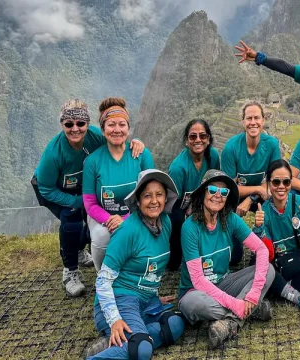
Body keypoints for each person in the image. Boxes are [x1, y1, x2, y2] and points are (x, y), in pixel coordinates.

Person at [32, 99, 145, 297]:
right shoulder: (54, 153)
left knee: (88, 219)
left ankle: (78, 250)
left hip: (82, 187)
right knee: (72, 218)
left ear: (87, 124)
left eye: (80, 124)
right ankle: (70, 271)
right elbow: (46, 188)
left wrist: (136, 143)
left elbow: (116, 141)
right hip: (53, 189)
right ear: (62, 125)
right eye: (69, 124)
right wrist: (77, 202)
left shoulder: (95, 138)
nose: (75, 129)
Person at [83, 169, 185, 359]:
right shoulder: (127, 231)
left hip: (146, 302)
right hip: (120, 299)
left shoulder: (165, 223)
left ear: (166, 198)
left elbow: (152, 266)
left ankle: (117, 344)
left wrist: (151, 293)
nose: (154, 201)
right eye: (147, 196)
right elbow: (103, 280)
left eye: (159, 195)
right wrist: (114, 320)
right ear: (138, 201)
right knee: (141, 350)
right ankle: (128, 343)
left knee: (174, 325)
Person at [177, 170, 275, 349]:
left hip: (224, 283)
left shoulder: (230, 218)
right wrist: (234, 303)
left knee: (268, 269)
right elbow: (198, 281)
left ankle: (230, 323)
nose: (218, 196)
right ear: (202, 193)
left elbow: (260, 249)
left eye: (224, 192)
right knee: (192, 304)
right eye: (213, 189)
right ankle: (251, 311)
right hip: (196, 291)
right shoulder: (189, 228)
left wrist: (252, 294)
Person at [83, 97, 155, 270]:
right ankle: (103, 277)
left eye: (122, 125)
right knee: (101, 236)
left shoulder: (142, 155)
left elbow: (152, 195)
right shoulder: (93, 162)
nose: (117, 130)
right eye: (111, 125)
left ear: (129, 129)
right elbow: (90, 203)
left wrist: (126, 220)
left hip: (138, 215)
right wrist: (110, 220)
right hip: (103, 217)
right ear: (102, 130)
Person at [253, 159, 300, 313]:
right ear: (268, 183)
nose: (281, 187)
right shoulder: (264, 212)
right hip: (281, 264)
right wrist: (259, 228)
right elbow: (267, 255)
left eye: (286, 182)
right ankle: (297, 295)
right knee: (261, 269)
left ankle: (282, 288)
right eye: (276, 182)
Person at [167, 119, 221, 270]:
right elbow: (173, 204)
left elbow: (216, 183)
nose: (198, 140)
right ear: (186, 141)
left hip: (206, 202)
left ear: (208, 139)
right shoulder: (178, 168)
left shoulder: (214, 157)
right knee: (177, 220)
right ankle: (176, 254)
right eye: (193, 137)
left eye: (203, 136)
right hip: (181, 209)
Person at [221, 102, 281, 218]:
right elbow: (230, 188)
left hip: (262, 196)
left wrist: (250, 198)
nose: (253, 122)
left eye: (257, 118)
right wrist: (258, 189)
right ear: (243, 122)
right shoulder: (231, 148)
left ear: (263, 120)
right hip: (236, 198)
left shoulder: (271, 145)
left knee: (280, 198)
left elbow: (275, 181)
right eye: (249, 118)